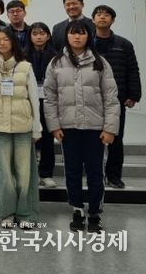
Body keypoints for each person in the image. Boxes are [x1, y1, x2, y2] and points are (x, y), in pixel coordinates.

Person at [44, 20, 120, 232]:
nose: (77, 37)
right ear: (66, 36)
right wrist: (54, 126)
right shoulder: (56, 63)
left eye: (81, 33)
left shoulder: (100, 62)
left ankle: (95, 212)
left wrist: (109, 128)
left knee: (96, 172)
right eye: (73, 33)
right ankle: (77, 209)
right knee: (72, 171)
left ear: (89, 36)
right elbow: (50, 98)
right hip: (68, 128)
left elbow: (111, 98)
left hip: (96, 128)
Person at [0, 28, 41, 228]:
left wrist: (37, 127)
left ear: (13, 41)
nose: (1, 42)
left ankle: (26, 214)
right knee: (3, 174)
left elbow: (34, 98)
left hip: (22, 125)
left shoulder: (25, 66)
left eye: (5, 39)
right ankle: (6, 213)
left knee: (24, 173)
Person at [92, 5, 141, 189]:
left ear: (112, 20)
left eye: (107, 15)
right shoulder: (87, 43)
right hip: (92, 99)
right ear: (93, 20)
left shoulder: (124, 44)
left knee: (116, 139)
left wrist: (134, 94)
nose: (102, 17)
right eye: (99, 14)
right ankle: (95, 175)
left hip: (116, 100)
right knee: (93, 140)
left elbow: (133, 70)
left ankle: (114, 176)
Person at [26, 22, 58, 188]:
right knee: (27, 138)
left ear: (48, 36)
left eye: (42, 33)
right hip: (27, 101)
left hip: (49, 100)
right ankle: (29, 174)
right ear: (30, 36)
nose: (38, 37)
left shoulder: (56, 56)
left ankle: (46, 174)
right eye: (35, 33)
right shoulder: (22, 55)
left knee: (47, 137)